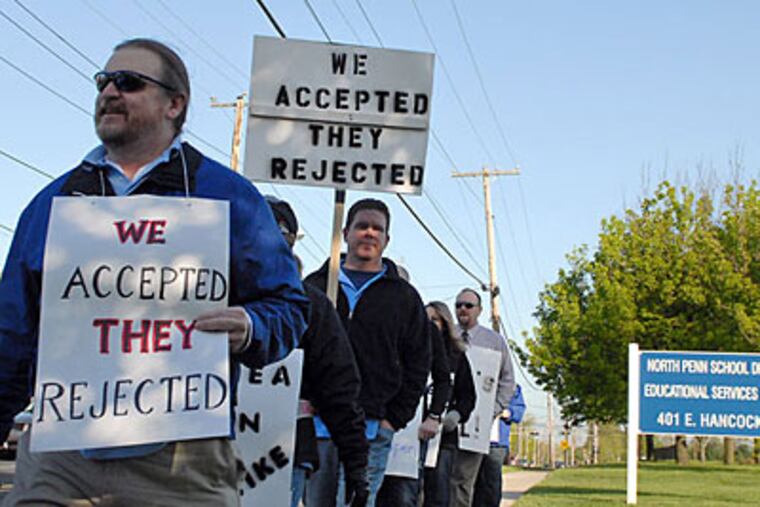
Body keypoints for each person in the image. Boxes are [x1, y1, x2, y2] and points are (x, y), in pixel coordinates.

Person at [0, 38, 308, 506]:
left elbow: (289, 307)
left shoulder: (228, 198)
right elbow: (11, 332)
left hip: (181, 462)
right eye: (103, 82)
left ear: (174, 104)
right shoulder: (54, 203)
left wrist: (250, 327)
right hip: (60, 457)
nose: (109, 92)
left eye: (128, 82)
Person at [304, 198, 431, 507]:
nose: (369, 234)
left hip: (372, 427)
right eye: (362, 226)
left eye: (378, 229)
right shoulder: (314, 286)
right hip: (317, 424)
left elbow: (419, 362)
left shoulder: (404, 297)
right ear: (346, 232)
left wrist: (393, 419)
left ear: (386, 240)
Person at [265, 196, 369, 507]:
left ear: (291, 241)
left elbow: (339, 387)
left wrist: (356, 466)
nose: (264, 238)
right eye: (254, 227)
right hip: (205, 453)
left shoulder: (309, 306)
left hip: (287, 453)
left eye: (277, 231)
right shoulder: (208, 292)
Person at [376, 278, 452, 507]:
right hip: (369, 420)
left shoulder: (426, 330)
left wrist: (434, 416)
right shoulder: (370, 320)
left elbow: (442, 379)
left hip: (407, 430)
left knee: (402, 496)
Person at [449, 288, 516, 507]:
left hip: (477, 425)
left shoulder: (494, 341)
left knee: (466, 481)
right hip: (447, 422)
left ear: (479, 310)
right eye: (459, 305)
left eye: (468, 305)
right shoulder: (447, 337)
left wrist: (494, 408)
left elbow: (508, 380)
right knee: (440, 480)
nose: (463, 309)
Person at [423, 301, 476, 507]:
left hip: (443, 438)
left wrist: (455, 415)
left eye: (434, 320)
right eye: (425, 319)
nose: (429, 324)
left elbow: (468, 396)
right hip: (410, 434)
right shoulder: (411, 351)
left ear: (445, 324)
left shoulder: (457, 356)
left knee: (438, 493)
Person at [472, 385, 526, 507]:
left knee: (492, 482)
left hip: (497, 443)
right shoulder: (476, 380)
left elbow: (519, 411)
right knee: (471, 480)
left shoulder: (512, 387)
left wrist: (509, 413)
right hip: (473, 438)